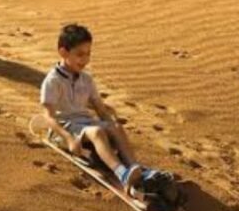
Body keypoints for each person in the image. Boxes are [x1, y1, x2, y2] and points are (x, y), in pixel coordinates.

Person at [39, 24, 167, 200]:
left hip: (86, 124)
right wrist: (69, 139)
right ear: (63, 52)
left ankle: (136, 170)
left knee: (114, 127)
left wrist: (112, 127)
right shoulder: (52, 81)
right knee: (97, 132)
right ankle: (122, 173)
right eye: (80, 54)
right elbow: (48, 116)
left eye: (88, 53)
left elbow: (100, 108)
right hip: (64, 129)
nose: (85, 59)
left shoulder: (87, 79)